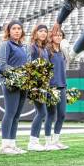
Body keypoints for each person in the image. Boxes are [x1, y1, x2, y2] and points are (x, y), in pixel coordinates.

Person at [0, 20, 30, 155]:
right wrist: (17, 73)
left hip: (23, 83)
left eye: (19, 28)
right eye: (14, 28)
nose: (17, 31)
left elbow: (28, 65)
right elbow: (3, 64)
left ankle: (12, 144)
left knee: (17, 115)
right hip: (11, 83)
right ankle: (4, 145)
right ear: (9, 31)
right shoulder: (6, 44)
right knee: (10, 113)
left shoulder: (24, 47)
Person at [45, 29, 68, 151]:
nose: (58, 37)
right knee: (50, 114)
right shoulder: (48, 51)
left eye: (60, 35)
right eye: (56, 35)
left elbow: (63, 70)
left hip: (62, 86)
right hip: (51, 87)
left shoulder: (63, 52)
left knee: (62, 115)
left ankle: (56, 140)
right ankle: (48, 142)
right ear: (51, 36)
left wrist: (66, 85)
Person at [28, 24, 50, 152]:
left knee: (40, 112)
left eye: (45, 31)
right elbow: (29, 65)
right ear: (35, 33)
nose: (43, 33)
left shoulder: (45, 48)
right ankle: (33, 141)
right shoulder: (32, 48)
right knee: (42, 112)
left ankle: (35, 140)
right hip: (36, 84)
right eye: (40, 31)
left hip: (44, 83)